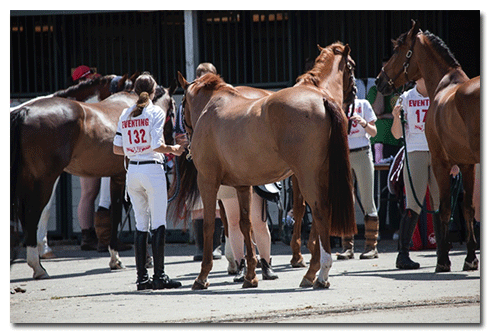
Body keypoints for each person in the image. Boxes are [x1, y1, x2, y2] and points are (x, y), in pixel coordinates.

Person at [113, 72, 186, 290]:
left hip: (132, 172)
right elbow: (156, 145)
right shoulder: (155, 111)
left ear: (135, 92)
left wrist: (134, 149)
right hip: (152, 170)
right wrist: (174, 149)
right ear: (154, 92)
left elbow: (117, 149)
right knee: (159, 222)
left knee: (141, 224)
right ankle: (159, 276)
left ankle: (141, 278)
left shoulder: (125, 114)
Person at [71, 65, 131, 252]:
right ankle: (97, 237)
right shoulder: (90, 96)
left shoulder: (81, 96)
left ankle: (89, 236)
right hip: (98, 144)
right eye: (90, 78)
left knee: (89, 194)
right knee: (93, 194)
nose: (93, 80)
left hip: (88, 146)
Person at [175, 62, 224, 261]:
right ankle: (204, 247)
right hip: (196, 154)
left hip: (212, 154)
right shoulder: (190, 100)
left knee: (216, 201)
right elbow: (179, 129)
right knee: (198, 200)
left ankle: (215, 246)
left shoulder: (219, 98)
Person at [391, 78, 440, 270]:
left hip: (437, 152)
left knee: (439, 204)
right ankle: (402, 254)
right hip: (414, 151)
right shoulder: (405, 98)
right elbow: (397, 134)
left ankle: (442, 253)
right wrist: (396, 117)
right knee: (413, 204)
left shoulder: (438, 94)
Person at [337, 97, 379, 260]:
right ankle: (347, 247)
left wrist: (363, 123)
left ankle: (371, 246)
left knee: (368, 200)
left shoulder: (363, 104)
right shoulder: (337, 104)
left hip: (362, 152)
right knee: (346, 201)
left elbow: (374, 132)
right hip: (344, 154)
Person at [366, 59, 403, 239]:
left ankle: (396, 226)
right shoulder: (374, 91)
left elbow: (402, 116)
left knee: (395, 186)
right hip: (378, 143)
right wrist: (382, 89)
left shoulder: (401, 91)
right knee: (379, 188)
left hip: (396, 143)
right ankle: (378, 227)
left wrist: (386, 116)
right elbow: (376, 112)